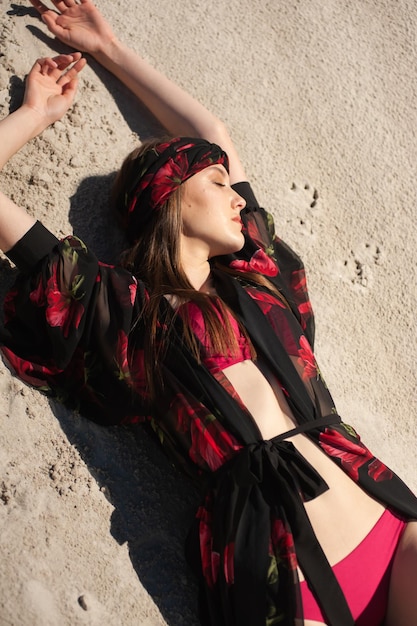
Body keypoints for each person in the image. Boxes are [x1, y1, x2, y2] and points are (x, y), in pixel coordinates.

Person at [0, 2, 416, 625]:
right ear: (169, 198)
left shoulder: (258, 277)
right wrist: (32, 115)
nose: (233, 193)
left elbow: (213, 132)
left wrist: (109, 49)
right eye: (216, 182)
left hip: (385, 530)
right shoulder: (125, 312)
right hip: (277, 571)